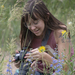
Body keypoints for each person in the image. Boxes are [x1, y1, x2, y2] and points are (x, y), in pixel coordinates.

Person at [13, 0, 74, 75]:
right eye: (28, 24)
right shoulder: (26, 34)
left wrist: (44, 57)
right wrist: (20, 63)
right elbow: (28, 66)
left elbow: (65, 68)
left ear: (46, 17)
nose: (32, 28)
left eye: (35, 23)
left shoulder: (61, 34)